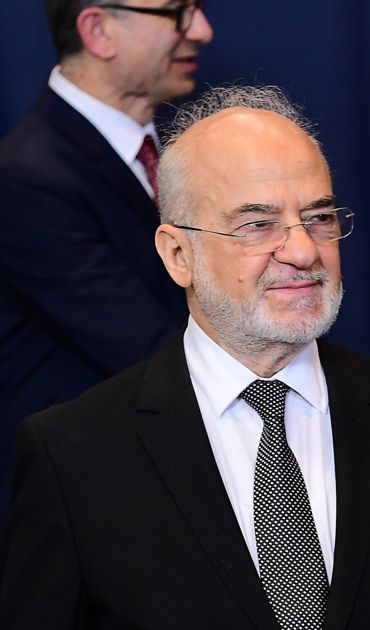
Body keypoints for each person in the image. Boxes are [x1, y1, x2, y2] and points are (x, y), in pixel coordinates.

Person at [0, 85, 370, 630]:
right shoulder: (74, 455)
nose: (303, 250)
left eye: (320, 218)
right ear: (179, 255)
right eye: (257, 225)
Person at [0, 0, 214, 519]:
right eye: (177, 12)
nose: (202, 30)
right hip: (90, 512)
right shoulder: (29, 180)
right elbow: (149, 350)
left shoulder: (175, 153)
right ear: (98, 30)